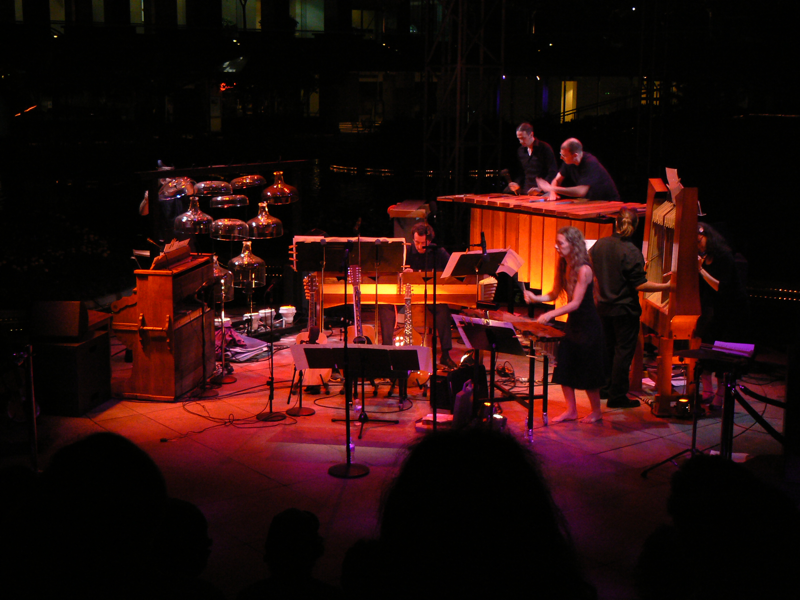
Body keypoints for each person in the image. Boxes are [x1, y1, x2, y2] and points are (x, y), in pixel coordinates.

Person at [590, 208, 671, 408]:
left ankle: (604, 389)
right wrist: (668, 286)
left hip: (603, 307)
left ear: (616, 223)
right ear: (634, 227)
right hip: (624, 310)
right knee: (622, 353)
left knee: (608, 350)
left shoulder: (600, 244)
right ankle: (617, 397)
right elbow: (639, 285)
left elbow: (592, 265)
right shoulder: (632, 251)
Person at [524, 226, 604, 423]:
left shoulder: (584, 269)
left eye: (560, 243)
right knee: (564, 367)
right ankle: (571, 410)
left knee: (587, 371)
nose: (556, 246)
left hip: (588, 325)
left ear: (573, 245)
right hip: (573, 324)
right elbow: (553, 293)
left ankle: (596, 412)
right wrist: (536, 297)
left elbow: (575, 303)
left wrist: (550, 314)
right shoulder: (563, 264)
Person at [696, 222, 750, 408]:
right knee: (705, 348)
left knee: (722, 355)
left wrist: (701, 271)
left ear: (708, 237)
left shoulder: (724, 257)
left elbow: (722, 288)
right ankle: (707, 390)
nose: (698, 245)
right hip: (713, 310)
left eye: (699, 241)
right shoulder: (705, 257)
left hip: (730, 311)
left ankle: (721, 394)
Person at [402, 222, 458, 369]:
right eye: (417, 242)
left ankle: (445, 355)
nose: (419, 246)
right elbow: (394, 271)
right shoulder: (406, 251)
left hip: (431, 295)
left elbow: (453, 270)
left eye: (423, 243)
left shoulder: (438, 252)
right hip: (408, 294)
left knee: (443, 310)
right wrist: (403, 274)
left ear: (430, 241)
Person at [537, 138, 620, 201]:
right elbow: (557, 180)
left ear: (575, 155)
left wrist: (552, 188)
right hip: (593, 201)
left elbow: (581, 191)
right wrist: (552, 193)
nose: (561, 158)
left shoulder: (590, 163)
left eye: (564, 155)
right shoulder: (568, 162)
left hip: (608, 202)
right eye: (560, 154)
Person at [506, 122, 558, 195]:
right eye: (519, 139)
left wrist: (540, 188)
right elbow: (521, 173)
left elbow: (553, 172)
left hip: (543, 192)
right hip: (526, 192)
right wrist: (516, 183)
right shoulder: (520, 151)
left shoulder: (544, 148)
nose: (520, 142)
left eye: (523, 138)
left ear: (531, 134)